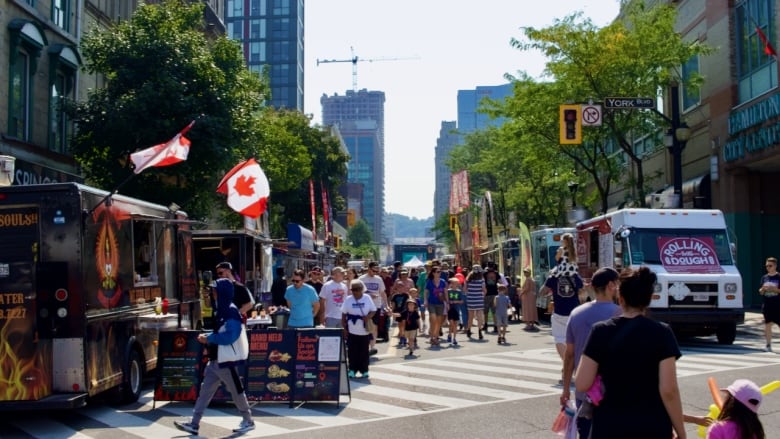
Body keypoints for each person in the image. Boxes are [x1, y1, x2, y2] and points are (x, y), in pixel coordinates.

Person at [575, 267, 686, 439]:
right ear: (649, 299)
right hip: (652, 425)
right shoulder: (662, 333)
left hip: (609, 425)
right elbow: (669, 390)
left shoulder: (600, 331)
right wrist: (681, 432)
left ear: (620, 298)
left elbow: (582, 383)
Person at [174, 278, 255, 435]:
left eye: (215, 290)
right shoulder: (224, 309)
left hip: (226, 359)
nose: (213, 293)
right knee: (206, 392)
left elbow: (231, 336)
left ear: (222, 292)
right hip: (218, 358)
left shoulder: (229, 310)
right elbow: (224, 334)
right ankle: (194, 423)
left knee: (235, 391)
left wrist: (209, 338)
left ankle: (248, 420)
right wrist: (209, 338)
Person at [560, 267, 621, 438]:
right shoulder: (620, 314)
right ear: (611, 285)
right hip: (613, 393)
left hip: (584, 392)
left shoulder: (576, 313)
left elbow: (569, 355)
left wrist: (566, 390)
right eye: (617, 284)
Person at [540, 264, 585, 363]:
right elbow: (582, 292)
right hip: (574, 313)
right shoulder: (575, 276)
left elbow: (542, 292)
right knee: (575, 340)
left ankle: (567, 363)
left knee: (559, 339)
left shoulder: (553, 277)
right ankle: (574, 362)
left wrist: (551, 292)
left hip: (559, 313)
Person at [341, 280, 376, 379]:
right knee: (352, 352)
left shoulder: (367, 298)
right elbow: (343, 313)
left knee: (364, 352)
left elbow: (373, 310)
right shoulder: (348, 299)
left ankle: (364, 370)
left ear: (361, 290)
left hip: (364, 331)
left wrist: (368, 317)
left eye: (357, 290)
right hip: (352, 330)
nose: (354, 292)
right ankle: (352, 370)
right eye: (353, 290)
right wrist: (344, 327)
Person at [359, 261, 388, 353]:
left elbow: (383, 293)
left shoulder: (379, 279)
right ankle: (365, 346)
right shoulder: (361, 279)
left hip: (376, 306)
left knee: (374, 326)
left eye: (377, 271)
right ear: (369, 269)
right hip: (364, 306)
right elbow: (358, 292)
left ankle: (372, 347)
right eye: (373, 271)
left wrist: (386, 305)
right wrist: (369, 295)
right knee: (364, 326)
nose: (375, 273)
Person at [759, 256, 780, 352]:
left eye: (770, 266)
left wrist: (775, 289)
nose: (768, 267)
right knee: (767, 325)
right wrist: (762, 290)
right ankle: (768, 345)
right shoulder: (764, 278)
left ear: (775, 266)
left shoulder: (779, 277)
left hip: (778, 304)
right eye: (767, 266)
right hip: (767, 304)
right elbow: (760, 291)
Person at [425, 267, 447, 347]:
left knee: (438, 321)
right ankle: (432, 336)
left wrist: (447, 302)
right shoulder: (429, 282)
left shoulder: (443, 281)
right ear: (433, 273)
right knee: (433, 318)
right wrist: (425, 301)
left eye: (440, 272)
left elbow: (445, 292)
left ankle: (435, 337)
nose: (439, 273)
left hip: (440, 303)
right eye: (437, 272)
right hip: (431, 303)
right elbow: (426, 292)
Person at [390, 270, 413, 346]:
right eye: (399, 287)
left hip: (404, 311)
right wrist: (392, 311)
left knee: (404, 323)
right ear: (397, 288)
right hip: (397, 311)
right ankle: (401, 335)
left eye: (402, 287)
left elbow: (409, 301)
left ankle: (404, 336)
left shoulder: (406, 295)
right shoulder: (395, 296)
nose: (401, 288)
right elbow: (393, 304)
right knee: (400, 324)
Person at [464, 265, 486, 340]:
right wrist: (482, 295)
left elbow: (464, 290)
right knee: (479, 316)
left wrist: (469, 293)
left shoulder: (468, 279)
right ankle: (480, 331)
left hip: (470, 299)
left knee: (470, 316)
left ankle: (469, 330)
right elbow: (484, 290)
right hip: (479, 299)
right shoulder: (482, 279)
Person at [446, 277, 464, 346]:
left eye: (457, 283)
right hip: (450, 309)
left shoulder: (459, 291)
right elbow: (446, 299)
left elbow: (462, 301)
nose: (456, 285)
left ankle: (454, 338)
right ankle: (450, 334)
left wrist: (456, 301)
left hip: (456, 309)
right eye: (454, 283)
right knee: (451, 323)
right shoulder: (448, 291)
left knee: (455, 324)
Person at [483, 266, 500, 333]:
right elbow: (499, 281)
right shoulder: (496, 273)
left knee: (485, 311)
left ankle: (485, 325)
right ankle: (495, 326)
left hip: (487, 294)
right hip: (494, 293)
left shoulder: (485, 273)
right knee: (494, 311)